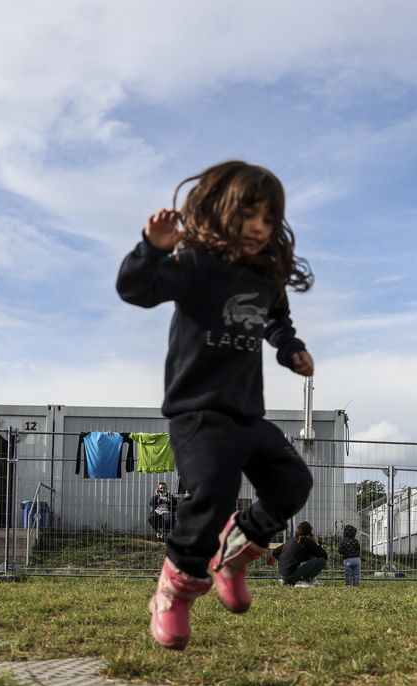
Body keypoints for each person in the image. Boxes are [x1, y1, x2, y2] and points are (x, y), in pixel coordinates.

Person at [117, 161, 315, 649]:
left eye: (268, 220)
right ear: (220, 211)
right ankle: (175, 591)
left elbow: (277, 317)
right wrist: (152, 249)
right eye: (249, 215)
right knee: (213, 493)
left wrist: (289, 348)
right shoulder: (194, 263)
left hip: (247, 413)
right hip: (197, 412)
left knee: (293, 483)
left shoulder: (264, 274)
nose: (258, 228)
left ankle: (234, 551)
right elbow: (135, 289)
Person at [274, 522, 327, 587]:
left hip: (282, 575)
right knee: (321, 561)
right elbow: (324, 555)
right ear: (310, 532)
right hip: (290, 575)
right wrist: (316, 543)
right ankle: (303, 581)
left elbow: (275, 552)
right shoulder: (306, 541)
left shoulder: (291, 540)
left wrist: (285, 562)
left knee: (310, 556)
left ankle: (286, 580)